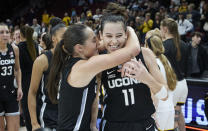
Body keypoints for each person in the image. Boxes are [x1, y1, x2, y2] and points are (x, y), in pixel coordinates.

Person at [46, 23, 140, 131]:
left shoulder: (77, 63)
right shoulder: (84, 67)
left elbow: (93, 99)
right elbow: (134, 50)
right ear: (79, 48)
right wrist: (128, 29)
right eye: (93, 41)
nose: (98, 44)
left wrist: (93, 124)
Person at [99, 3, 167, 131]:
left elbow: (165, 95)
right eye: (108, 36)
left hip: (144, 124)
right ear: (101, 36)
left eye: (119, 36)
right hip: (113, 124)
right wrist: (92, 123)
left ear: (126, 34)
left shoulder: (145, 54)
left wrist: (145, 77)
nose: (114, 41)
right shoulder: (100, 60)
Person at [28, 23, 66, 130]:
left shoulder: (72, 58)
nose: (66, 40)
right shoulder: (42, 60)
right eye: (63, 37)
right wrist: (34, 123)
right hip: (49, 115)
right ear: (53, 38)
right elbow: (32, 92)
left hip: (68, 115)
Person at [160, 18, 189, 131]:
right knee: (178, 116)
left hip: (171, 86)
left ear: (165, 29)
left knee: (169, 120)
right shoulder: (184, 45)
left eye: (161, 28)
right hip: (183, 84)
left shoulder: (163, 46)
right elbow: (187, 68)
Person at [145, 34, 177, 130]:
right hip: (169, 108)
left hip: (158, 109)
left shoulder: (153, 64)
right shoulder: (166, 61)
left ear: (148, 47)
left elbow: (154, 90)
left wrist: (153, 112)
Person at [0, 23, 23, 131]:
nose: (5, 35)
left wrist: (19, 87)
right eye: (1, 32)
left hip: (11, 93)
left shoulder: (15, 49)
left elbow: (18, 69)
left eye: (7, 32)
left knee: (14, 129)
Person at [18, 25, 40, 131]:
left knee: (27, 108)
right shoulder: (35, 44)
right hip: (37, 78)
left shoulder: (19, 47)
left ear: (21, 35)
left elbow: (18, 68)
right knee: (36, 106)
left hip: (25, 81)